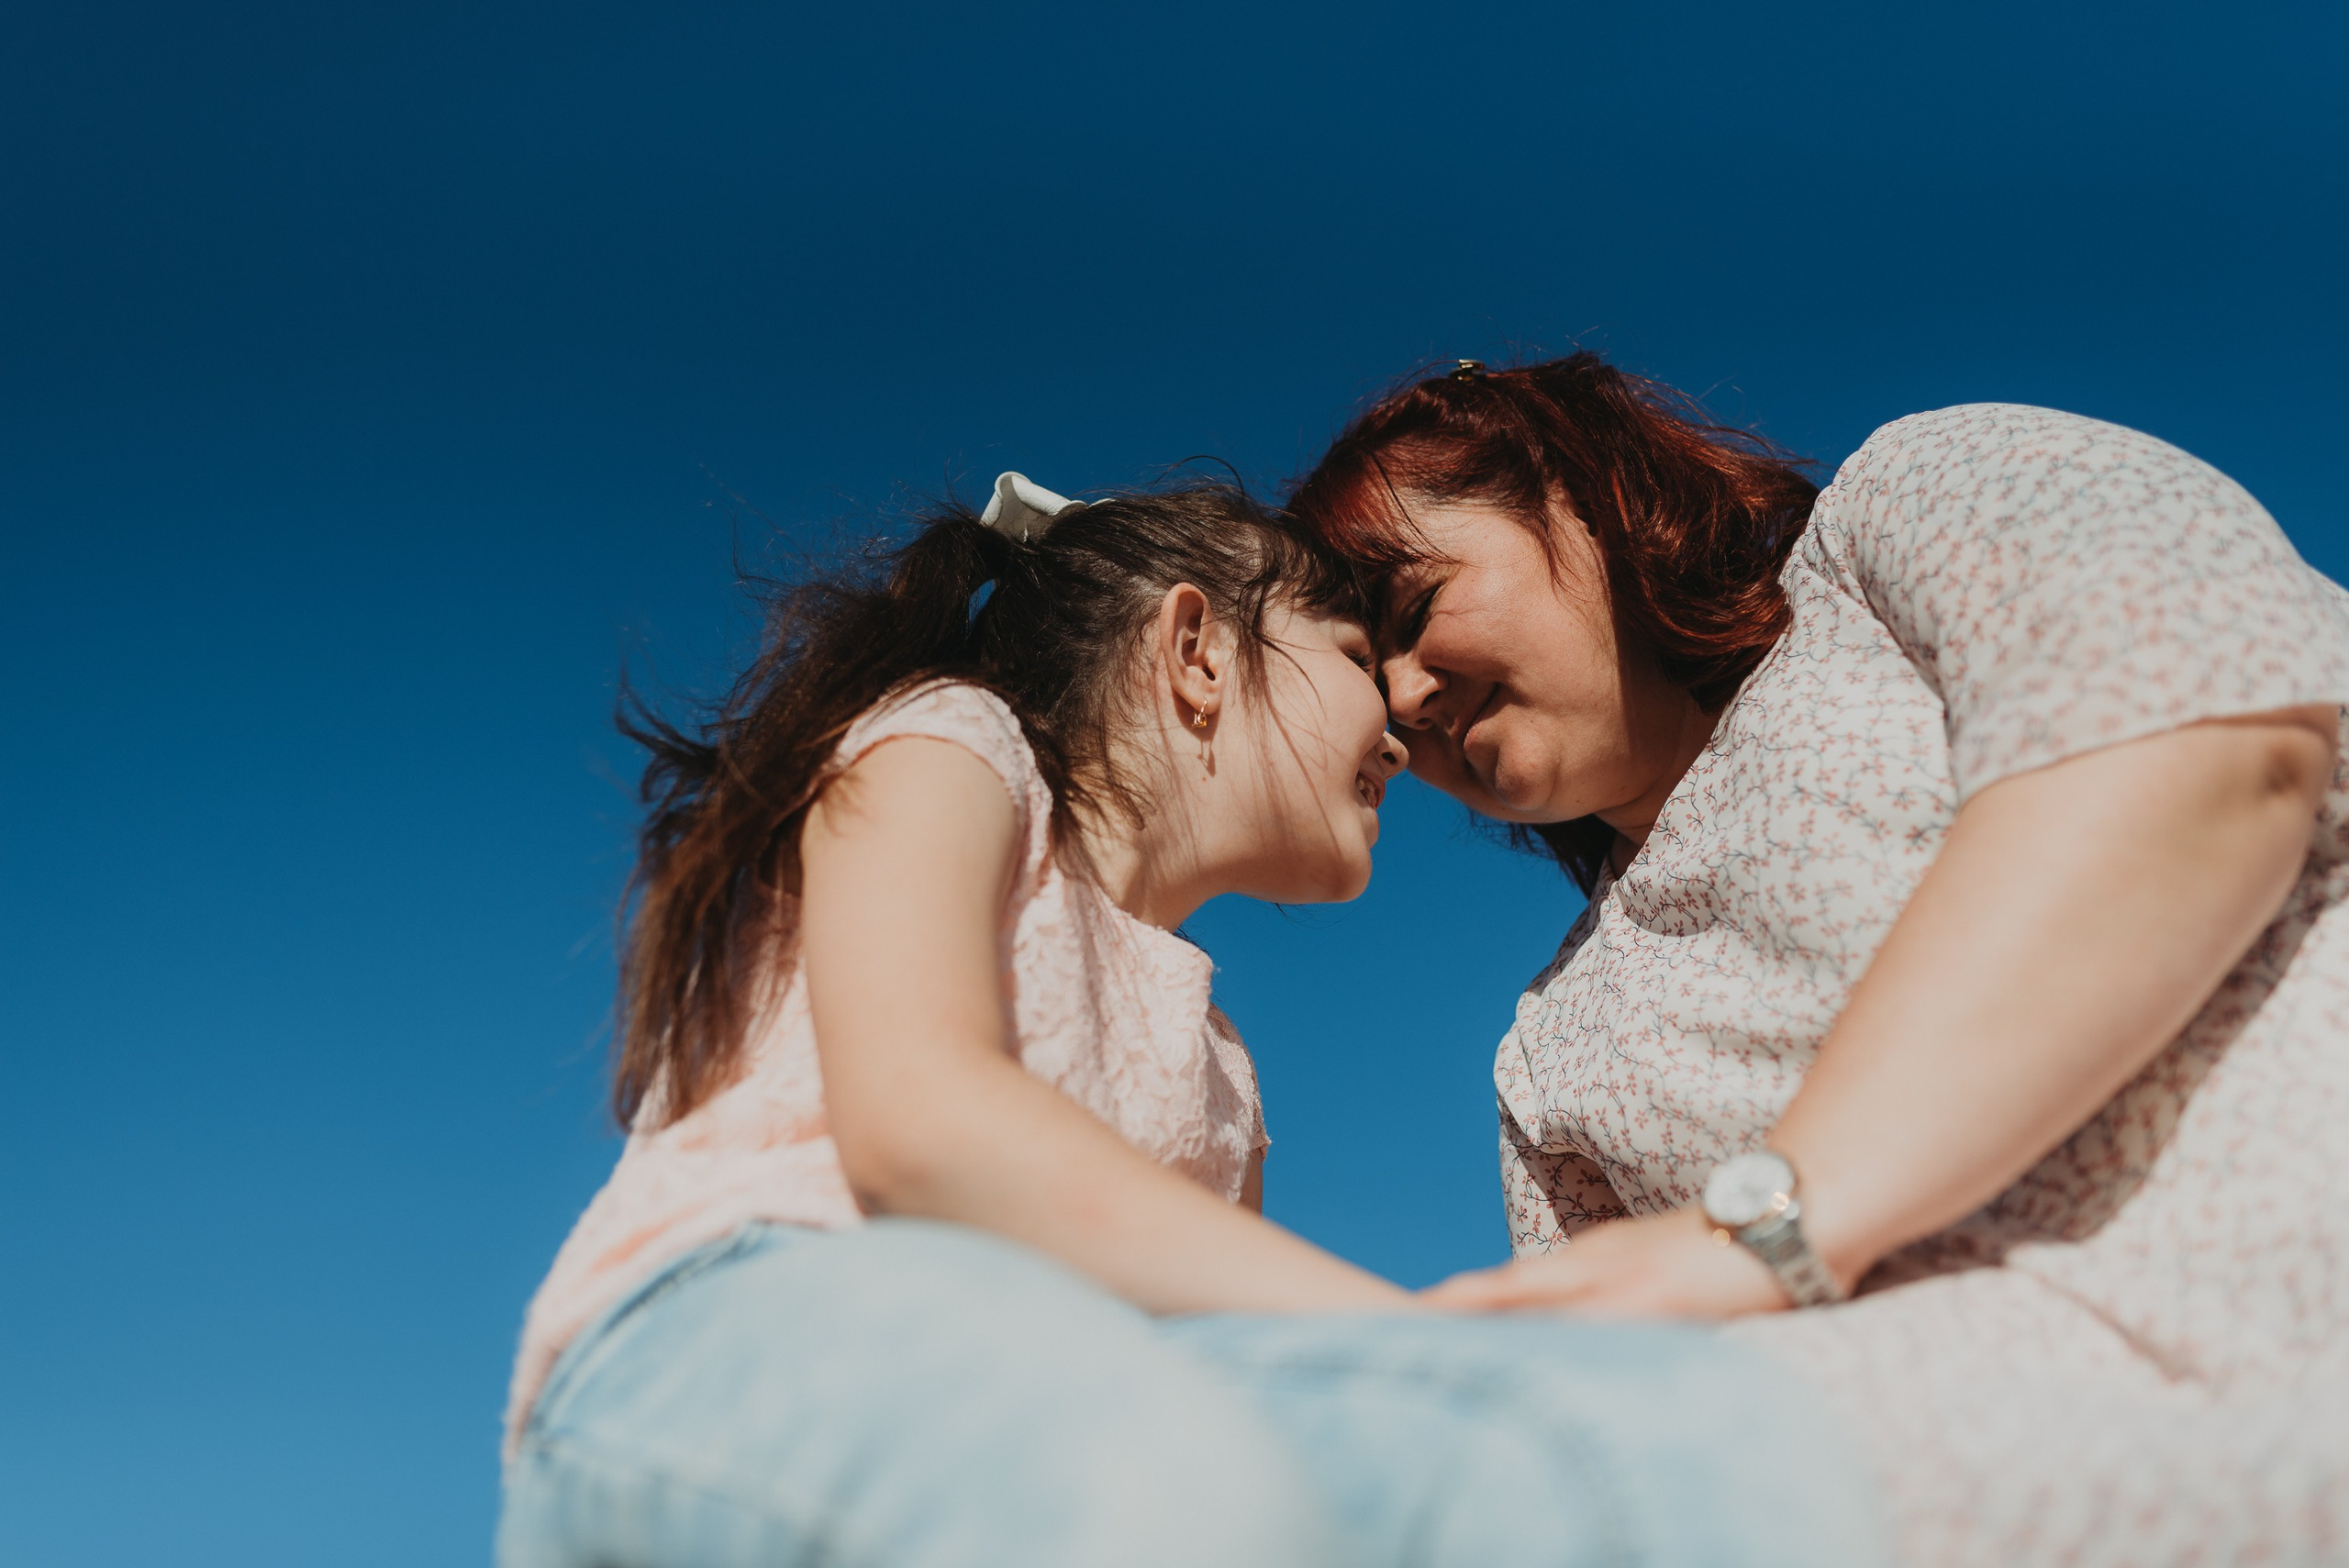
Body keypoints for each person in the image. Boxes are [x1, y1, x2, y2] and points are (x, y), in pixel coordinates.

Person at [497, 474, 1884, 1568]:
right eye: (1355, 654)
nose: (1399, 726)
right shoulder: (950, 745)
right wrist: (1430, 1342)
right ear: (1197, 651)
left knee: (1670, 1452)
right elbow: (924, 1126)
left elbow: (1240, 1359)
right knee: (1191, 1488)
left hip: (1054, 1419)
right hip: (747, 1330)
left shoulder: (1223, 1075)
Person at [1288, 353, 2349, 1567]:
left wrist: (1777, 1223)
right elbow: (1616, 1399)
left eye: (1414, 610)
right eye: (1369, 681)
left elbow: (2205, 748)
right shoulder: (1547, 1058)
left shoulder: (1903, 509)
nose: (1406, 696)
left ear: (1577, 488)